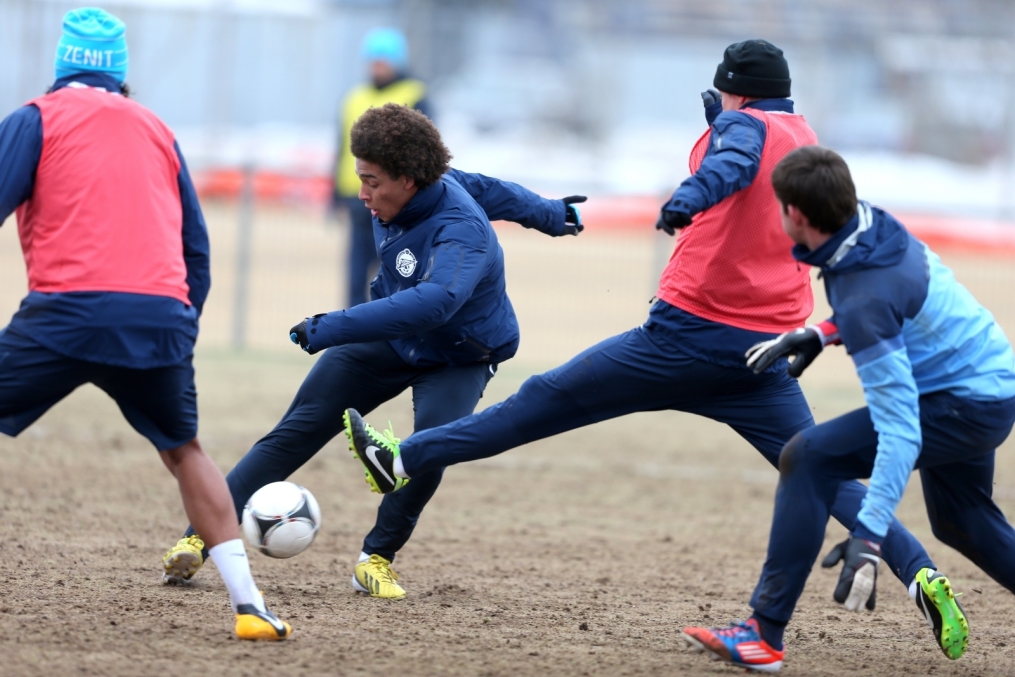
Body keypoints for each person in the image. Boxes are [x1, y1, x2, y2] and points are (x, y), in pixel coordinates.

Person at [344, 39, 953, 641]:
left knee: (538, 402)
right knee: (820, 471)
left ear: (733, 90)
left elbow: (732, 164)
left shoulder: (740, 131)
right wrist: (722, 133)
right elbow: (752, 168)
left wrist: (688, 196)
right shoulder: (804, 137)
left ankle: (399, 458)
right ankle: (920, 572)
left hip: (683, 339)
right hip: (762, 354)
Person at [161, 102, 586, 598]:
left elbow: (435, 304)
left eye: (372, 181)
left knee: (429, 450)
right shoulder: (432, 184)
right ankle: (201, 536)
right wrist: (552, 214)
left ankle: (375, 559)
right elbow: (497, 190)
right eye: (359, 178)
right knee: (295, 432)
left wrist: (332, 326)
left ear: (408, 179)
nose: (362, 194)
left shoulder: (462, 230)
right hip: (391, 338)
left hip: (460, 355)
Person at [0, 8, 289, 640]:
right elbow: (197, 250)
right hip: (158, 319)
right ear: (121, 78)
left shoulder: (34, 118)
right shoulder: (157, 129)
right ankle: (251, 609)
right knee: (185, 450)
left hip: (67, 313)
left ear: (62, 68)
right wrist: (182, 327)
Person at [682, 145, 1015, 671]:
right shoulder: (870, 224)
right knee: (962, 521)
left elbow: (901, 431)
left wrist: (869, 535)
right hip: (991, 385)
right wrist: (823, 332)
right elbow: (897, 303)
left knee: (809, 457)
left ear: (795, 215)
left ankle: (763, 635)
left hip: (961, 404)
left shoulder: (863, 298)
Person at [332, 28, 430, 308]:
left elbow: (425, 153)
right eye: (372, 61)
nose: (377, 67)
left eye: (383, 61)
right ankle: (351, 333)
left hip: (396, 202)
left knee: (394, 273)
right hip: (357, 200)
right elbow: (339, 147)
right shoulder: (353, 97)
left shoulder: (415, 94)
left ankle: (389, 332)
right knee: (354, 273)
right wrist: (335, 195)